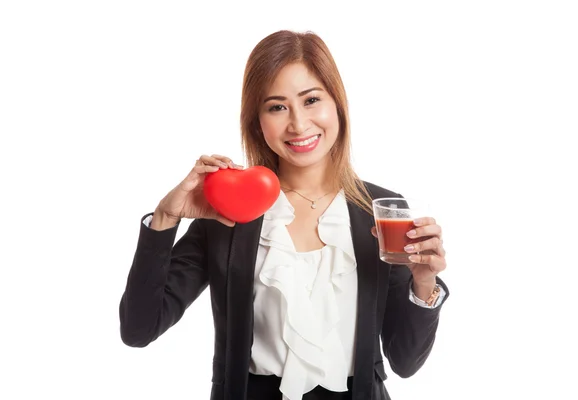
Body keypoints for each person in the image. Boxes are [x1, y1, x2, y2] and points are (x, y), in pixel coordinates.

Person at [119, 30, 449, 400]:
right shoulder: (231, 210)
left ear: (337, 104)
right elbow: (138, 329)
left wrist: (423, 283)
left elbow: (405, 362)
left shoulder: (380, 209)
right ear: (256, 121)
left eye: (311, 100)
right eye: (277, 106)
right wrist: (166, 217)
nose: (298, 124)